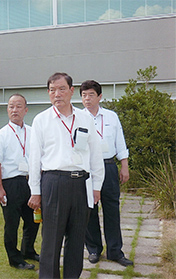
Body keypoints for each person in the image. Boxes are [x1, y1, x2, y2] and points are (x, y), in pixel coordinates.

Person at [27, 73, 105, 279]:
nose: (57, 94)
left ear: (71, 91)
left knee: (77, 239)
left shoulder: (85, 118)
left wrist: (97, 186)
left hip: (81, 184)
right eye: (52, 90)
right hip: (54, 183)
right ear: (48, 93)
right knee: (51, 240)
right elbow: (34, 159)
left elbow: (95, 153)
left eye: (62, 89)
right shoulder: (41, 120)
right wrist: (35, 191)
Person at [80, 80, 133, 267]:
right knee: (89, 210)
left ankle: (115, 251)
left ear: (100, 96)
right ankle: (93, 249)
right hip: (87, 169)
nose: (87, 98)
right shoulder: (77, 118)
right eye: (84, 95)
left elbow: (120, 142)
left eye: (91, 94)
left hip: (109, 166)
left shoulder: (111, 117)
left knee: (111, 210)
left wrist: (124, 166)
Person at [0, 94, 40, 270]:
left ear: (26, 110)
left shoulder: (33, 132)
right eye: (11, 106)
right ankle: (15, 259)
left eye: (18, 106)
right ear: (7, 110)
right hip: (11, 184)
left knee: (33, 220)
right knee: (12, 224)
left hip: (30, 182)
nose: (14, 110)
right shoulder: (1, 135)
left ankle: (28, 250)